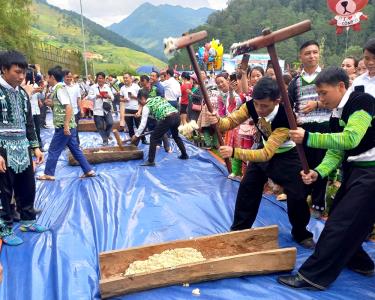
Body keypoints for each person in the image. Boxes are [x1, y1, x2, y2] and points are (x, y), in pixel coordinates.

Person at [280, 67, 375, 290]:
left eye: (323, 93)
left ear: (341, 86)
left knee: (341, 224)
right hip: (356, 170)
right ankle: (360, 262)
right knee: (346, 222)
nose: (320, 99)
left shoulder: (362, 102)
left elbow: (350, 139)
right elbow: (336, 152)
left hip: (371, 173)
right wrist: (318, 172)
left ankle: (313, 276)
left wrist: (309, 137)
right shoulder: (336, 112)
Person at [215, 77, 314, 249]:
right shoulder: (251, 105)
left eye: (265, 106)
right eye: (257, 104)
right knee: (248, 187)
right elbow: (229, 122)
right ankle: (240, 229)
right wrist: (216, 120)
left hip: (287, 155)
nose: (259, 109)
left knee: (297, 195)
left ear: (276, 101)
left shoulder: (286, 117)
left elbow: (266, 154)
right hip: (264, 148)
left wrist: (234, 152)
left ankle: (301, 233)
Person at [0, 50, 47, 245]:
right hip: (2, 148)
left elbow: (29, 123)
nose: (21, 77)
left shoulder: (21, 94)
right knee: (3, 191)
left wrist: (35, 147)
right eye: (17, 72)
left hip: (22, 146)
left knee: (27, 186)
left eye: (23, 73)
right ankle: (5, 228)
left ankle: (28, 220)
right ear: (3, 69)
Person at [288, 40, 331, 218]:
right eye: (308, 53)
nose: (312, 56)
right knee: (303, 165)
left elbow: (338, 102)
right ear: (301, 57)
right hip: (303, 130)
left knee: (322, 166)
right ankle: (301, 199)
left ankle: (318, 204)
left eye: (315, 52)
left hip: (324, 127)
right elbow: (290, 105)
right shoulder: (295, 82)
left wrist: (318, 104)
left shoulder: (328, 78)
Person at [38, 66, 95, 181]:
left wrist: (65, 125)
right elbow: (62, 106)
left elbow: (68, 108)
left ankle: (48, 173)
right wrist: (52, 104)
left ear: (52, 77)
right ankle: (88, 170)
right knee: (75, 149)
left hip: (64, 127)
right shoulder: (59, 89)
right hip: (69, 126)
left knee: (53, 150)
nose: (47, 79)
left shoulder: (60, 89)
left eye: (48, 77)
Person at [132, 89, 188, 166]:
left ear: (142, 98)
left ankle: (151, 161)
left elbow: (143, 124)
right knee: (175, 136)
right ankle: (184, 155)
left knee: (153, 138)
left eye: (139, 102)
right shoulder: (158, 98)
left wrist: (136, 135)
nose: (140, 104)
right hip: (176, 116)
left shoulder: (147, 106)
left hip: (168, 118)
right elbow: (159, 111)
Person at [87, 72, 114, 145]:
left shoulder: (107, 87)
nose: (100, 80)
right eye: (99, 78)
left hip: (106, 109)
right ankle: (105, 140)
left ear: (104, 79)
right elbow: (89, 97)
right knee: (99, 126)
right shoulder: (93, 87)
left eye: (102, 78)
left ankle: (107, 135)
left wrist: (108, 96)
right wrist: (96, 96)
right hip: (97, 109)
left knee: (110, 123)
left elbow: (112, 97)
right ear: (97, 78)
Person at [120, 72, 142, 139]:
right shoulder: (122, 88)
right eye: (124, 78)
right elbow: (120, 98)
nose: (125, 79)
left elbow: (141, 98)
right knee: (130, 126)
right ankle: (132, 139)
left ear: (130, 78)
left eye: (126, 78)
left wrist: (133, 97)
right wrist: (124, 99)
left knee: (139, 125)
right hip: (127, 109)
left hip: (136, 108)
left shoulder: (136, 86)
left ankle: (143, 139)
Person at [63, 69, 81, 144]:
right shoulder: (61, 87)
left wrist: (81, 109)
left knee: (74, 128)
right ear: (63, 77)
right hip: (64, 112)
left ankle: (76, 144)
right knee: (65, 128)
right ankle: (65, 144)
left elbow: (78, 98)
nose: (69, 78)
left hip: (75, 111)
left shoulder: (76, 86)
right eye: (67, 77)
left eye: (70, 77)